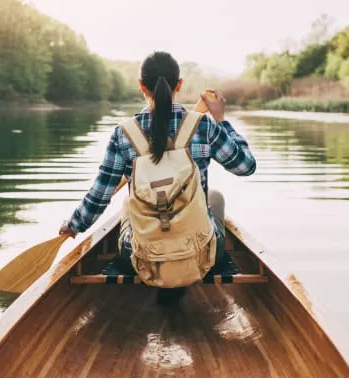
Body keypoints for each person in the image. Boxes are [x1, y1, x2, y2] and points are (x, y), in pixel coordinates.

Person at [59, 51, 256, 304]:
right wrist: (221, 120)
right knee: (215, 199)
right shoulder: (205, 126)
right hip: (201, 254)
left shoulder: (123, 134)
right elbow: (246, 166)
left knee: (128, 205)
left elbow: (99, 196)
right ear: (180, 85)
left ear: (142, 87)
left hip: (140, 257)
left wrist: (74, 225)